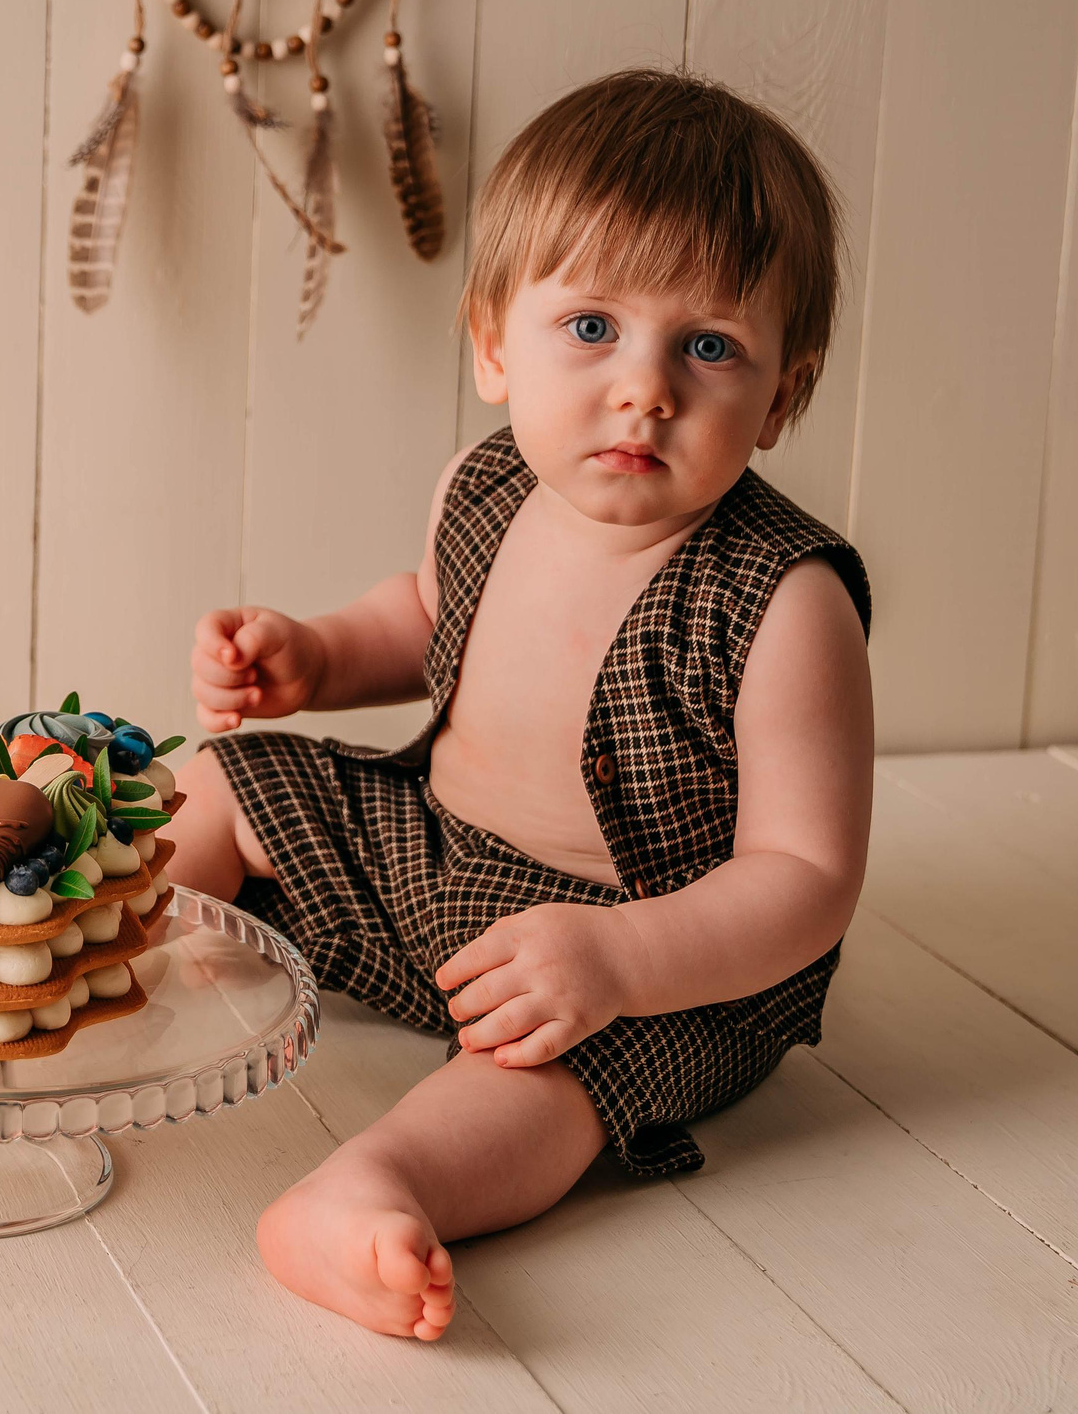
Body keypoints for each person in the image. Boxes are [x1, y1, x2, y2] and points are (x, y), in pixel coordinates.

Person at [168, 69, 873, 1342]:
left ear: (782, 392)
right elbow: (432, 617)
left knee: (545, 1084)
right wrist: (319, 657)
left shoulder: (783, 600)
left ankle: (372, 1185)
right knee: (223, 780)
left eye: (706, 347)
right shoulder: (487, 484)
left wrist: (617, 960)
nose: (644, 387)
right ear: (494, 341)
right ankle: (91, 966)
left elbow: (807, 874)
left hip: (645, 953)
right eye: (592, 328)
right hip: (431, 863)